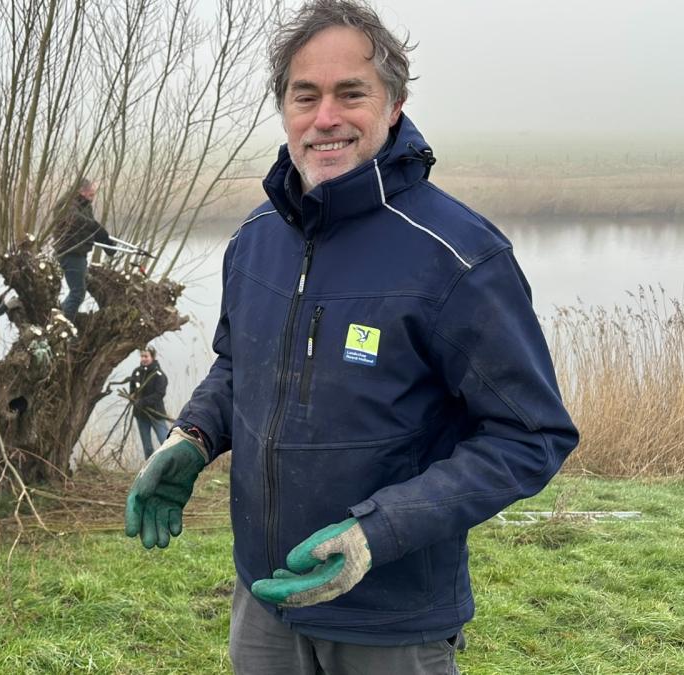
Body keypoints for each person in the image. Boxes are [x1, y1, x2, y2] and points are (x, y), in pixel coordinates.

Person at [123, 2, 579, 672]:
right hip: (264, 601)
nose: (325, 117)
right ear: (284, 107)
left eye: (350, 94)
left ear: (392, 105)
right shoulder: (256, 239)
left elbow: (531, 434)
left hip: (390, 621)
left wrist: (378, 529)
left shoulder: (457, 257)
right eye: (305, 95)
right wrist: (192, 436)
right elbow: (235, 364)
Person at [53, 178, 113, 322]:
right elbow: (74, 219)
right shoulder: (67, 203)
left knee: (80, 290)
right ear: (81, 191)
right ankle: (64, 326)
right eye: (91, 194)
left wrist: (105, 241)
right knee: (78, 293)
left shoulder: (86, 205)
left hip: (80, 253)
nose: (93, 197)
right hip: (69, 252)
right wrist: (95, 227)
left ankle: (60, 316)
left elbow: (89, 229)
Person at [128, 346, 170, 460]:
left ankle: (172, 465)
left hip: (157, 414)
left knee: (166, 442)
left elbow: (159, 394)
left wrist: (142, 402)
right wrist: (132, 396)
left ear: (152, 357)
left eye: (146, 356)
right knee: (147, 447)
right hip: (141, 415)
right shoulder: (136, 372)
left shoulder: (159, 375)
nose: (143, 359)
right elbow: (132, 390)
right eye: (142, 356)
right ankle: (149, 470)